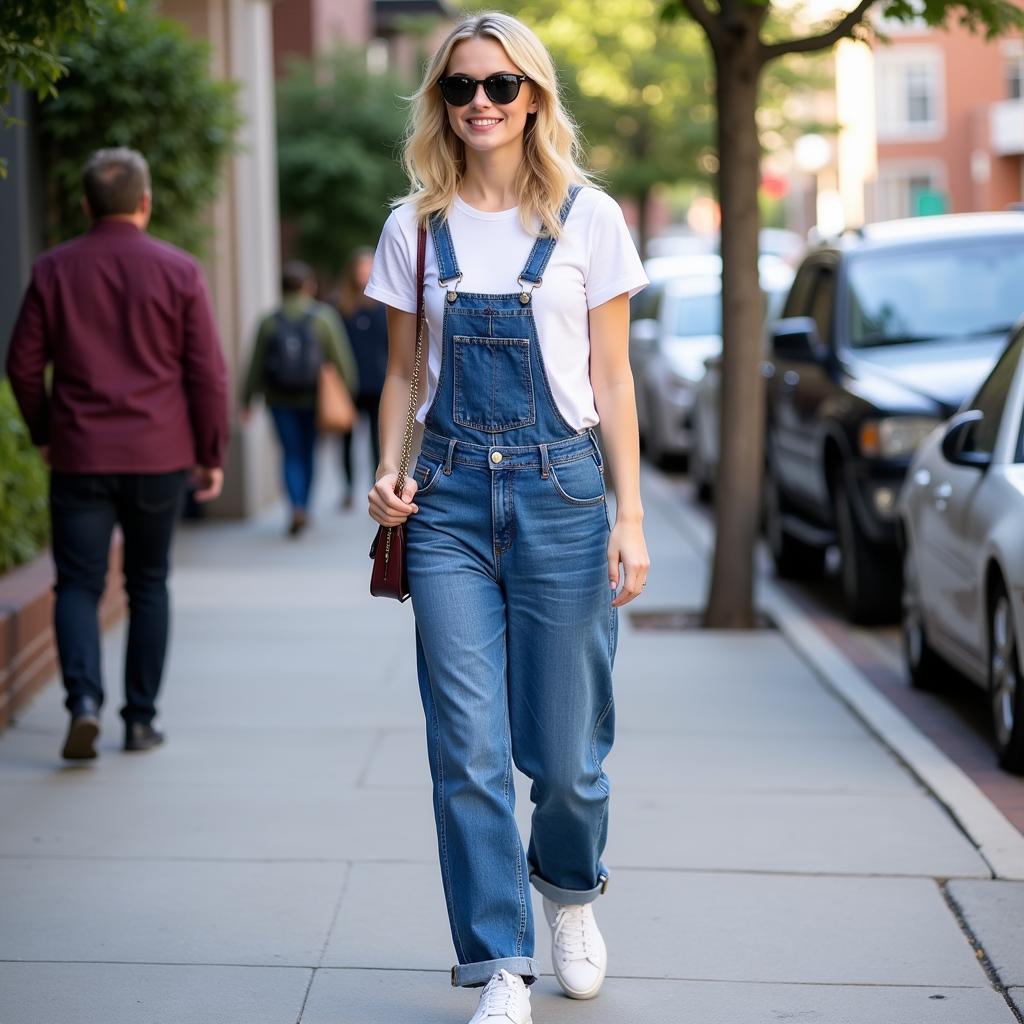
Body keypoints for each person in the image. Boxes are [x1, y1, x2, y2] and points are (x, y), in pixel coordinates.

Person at [366, 13, 649, 1023]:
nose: (479, 102)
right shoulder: (414, 228)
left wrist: (631, 516)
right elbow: (402, 373)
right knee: (468, 746)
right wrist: (387, 469)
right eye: (458, 88)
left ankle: (569, 894)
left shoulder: (588, 218)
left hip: (564, 497)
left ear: (532, 94)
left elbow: (612, 381)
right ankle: (498, 961)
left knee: (566, 756)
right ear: (439, 103)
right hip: (442, 504)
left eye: (497, 84)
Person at [5, 147, 229, 761]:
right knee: (148, 583)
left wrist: (46, 431)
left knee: (77, 582)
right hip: (158, 455)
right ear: (146, 202)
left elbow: (22, 364)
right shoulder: (179, 271)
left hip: (79, 453)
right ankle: (140, 720)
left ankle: (83, 703)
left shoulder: (53, 269)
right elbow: (207, 373)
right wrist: (210, 452)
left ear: (85, 204)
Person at [241, 261, 357, 535]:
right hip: (314, 398)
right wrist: (348, 393)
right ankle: (304, 504)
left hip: (279, 399)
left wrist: (247, 400)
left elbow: (255, 364)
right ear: (309, 287)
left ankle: (295, 507)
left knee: (289, 452)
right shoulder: (324, 317)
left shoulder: (269, 321)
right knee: (308, 452)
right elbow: (342, 360)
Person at [335, 247, 388, 510]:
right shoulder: (341, 306)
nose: (363, 273)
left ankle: (375, 486)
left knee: (376, 440)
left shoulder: (385, 305)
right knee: (346, 438)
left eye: (368, 267)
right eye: (360, 267)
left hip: (378, 382)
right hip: (349, 384)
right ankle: (347, 487)